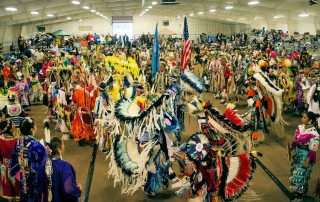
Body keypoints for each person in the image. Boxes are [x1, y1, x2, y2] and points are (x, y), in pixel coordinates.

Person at [10, 117, 48, 202]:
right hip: (35, 179)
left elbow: (14, 160)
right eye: (35, 125)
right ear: (32, 129)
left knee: (25, 194)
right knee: (35, 196)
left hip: (23, 177)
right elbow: (45, 160)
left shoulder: (18, 142)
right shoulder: (36, 145)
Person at [38, 137, 82, 202]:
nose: (64, 146)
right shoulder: (64, 166)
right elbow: (69, 189)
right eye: (63, 144)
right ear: (59, 149)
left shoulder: (43, 163)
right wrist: (78, 189)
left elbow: (38, 182)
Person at [289, 111, 320, 201]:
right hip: (297, 153)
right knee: (298, 172)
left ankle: (299, 197)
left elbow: (313, 150)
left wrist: (307, 161)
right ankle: (304, 191)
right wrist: (290, 149)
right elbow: (295, 140)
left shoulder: (315, 134)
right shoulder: (299, 127)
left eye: (304, 117)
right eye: (302, 116)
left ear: (310, 120)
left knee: (300, 176)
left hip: (305, 155)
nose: (302, 118)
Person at [0, 119, 19, 201]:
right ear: (9, 128)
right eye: (13, 125)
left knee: (7, 190)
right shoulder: (16, 141)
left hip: (4, 167)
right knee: (17, 189)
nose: (14, 126)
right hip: (15, 168)